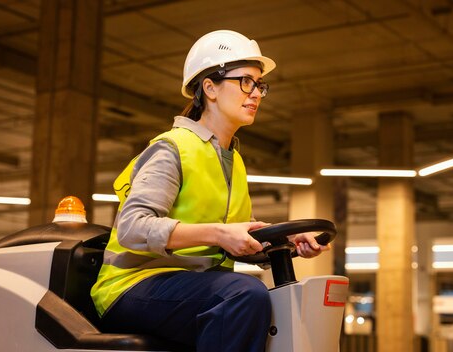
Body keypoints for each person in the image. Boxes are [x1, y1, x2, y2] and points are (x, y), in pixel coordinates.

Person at [91, 30, 328, 352]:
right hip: (132, 285)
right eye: (246, 81)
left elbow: (232, 234)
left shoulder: (233, 160)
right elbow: (134, 227)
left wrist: (282, 242)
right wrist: (218, 234)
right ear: (210, 87)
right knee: (244, 294)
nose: (256, 93)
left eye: (260, 85)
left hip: (195, 286)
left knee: (253, 296)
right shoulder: (172, 148)